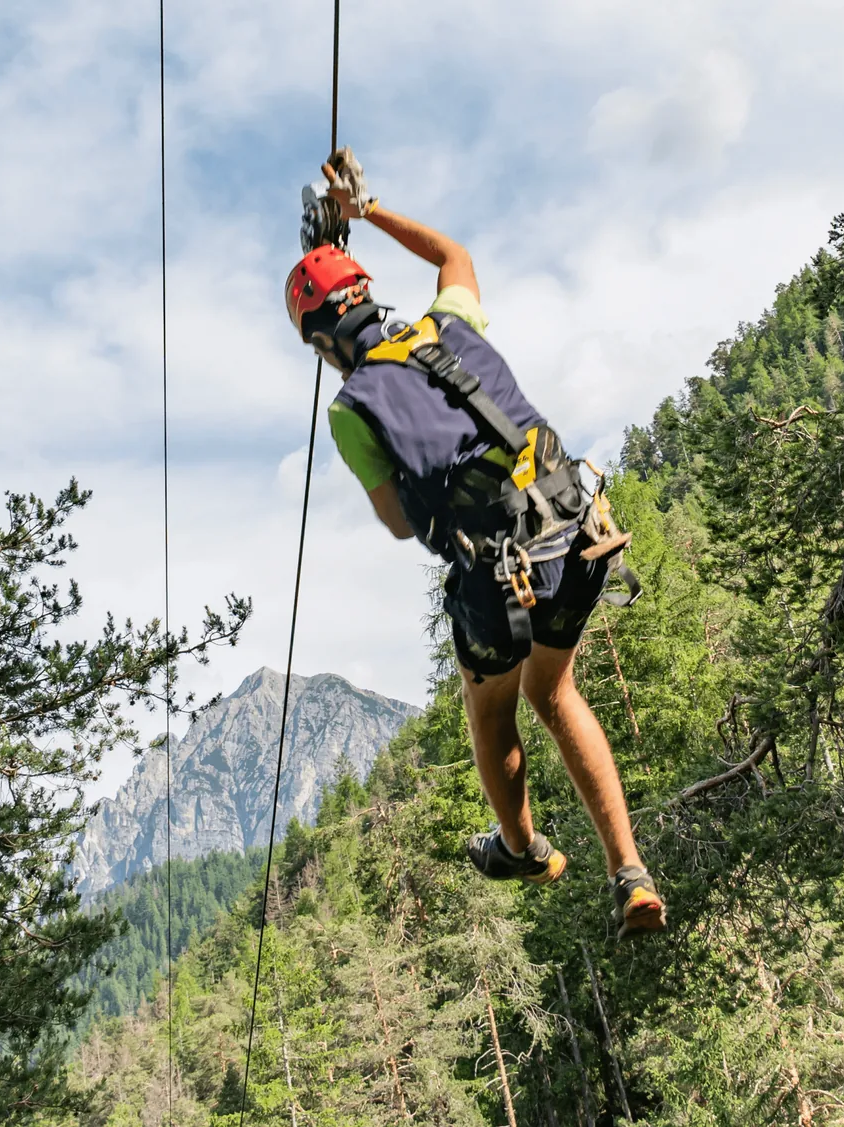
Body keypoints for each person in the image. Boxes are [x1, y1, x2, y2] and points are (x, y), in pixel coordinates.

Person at [282, 149, 665, 938]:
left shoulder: (351, 409)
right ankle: (630, 872)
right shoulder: (448, 324)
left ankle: (522, 846)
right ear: (367, 295)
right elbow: (455, 256)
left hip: (504, 566)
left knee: (492, 710)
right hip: (578, 522)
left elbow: (396, 521)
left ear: (322, 343)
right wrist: (367, 209)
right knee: (556, 692)